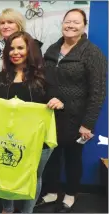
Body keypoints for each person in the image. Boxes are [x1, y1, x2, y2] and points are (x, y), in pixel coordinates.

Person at [0, 31, 64, 213]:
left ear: (30, 50)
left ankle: (27, 211)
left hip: (37, 139)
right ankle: (7, 208)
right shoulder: (1, 77)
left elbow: (56, 97)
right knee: (5, 170)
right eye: (11, 48)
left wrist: (57, 101)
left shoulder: (44, 75)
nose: (15, 52)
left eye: (20, 47)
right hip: (8, 139)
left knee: (33, 175)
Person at [37, 8, 107, 213]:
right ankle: (50, 192)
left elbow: (98, 93)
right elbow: (43, 81)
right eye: (67, 21)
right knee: (51, 156)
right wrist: (48, 98)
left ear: (84, 26)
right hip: (50, 115)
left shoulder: (93, 53)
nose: (70, 25)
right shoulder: (52, 49)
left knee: (73, 159)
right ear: (62, 23)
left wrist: (88, 124)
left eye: (76, 22)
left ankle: (70, 195)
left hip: (76, 119)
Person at [0, 8, 43, 96]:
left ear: (18, 24)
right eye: (2, 23)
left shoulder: (33, 44)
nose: (5, 26)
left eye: (10, 22)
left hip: (26, 96)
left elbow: (39, 73)